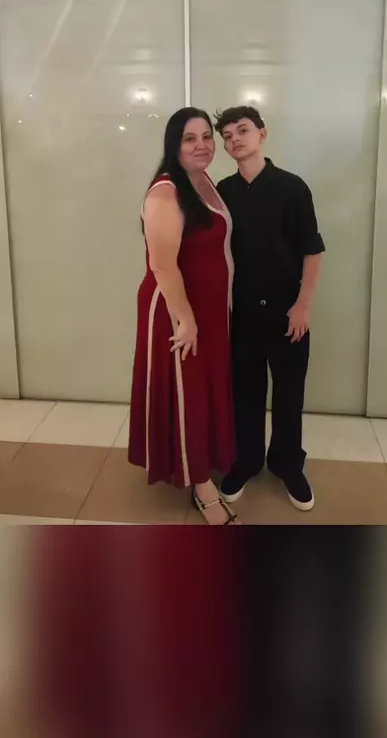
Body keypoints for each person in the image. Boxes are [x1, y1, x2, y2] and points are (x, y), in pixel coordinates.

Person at [128, 107, 240, 526]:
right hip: (177, 310)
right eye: (190, 138)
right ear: (174, 145)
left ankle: (202, 458)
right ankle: (203, 489)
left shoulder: (203, 181)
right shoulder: (165, 192)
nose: (202, 145)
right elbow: (162, 264)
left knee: (204, 387)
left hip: (209, 308)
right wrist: (186, 320)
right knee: (187, 392)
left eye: (207, 136)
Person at [214, 106, 325, 511]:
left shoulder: (292, 188)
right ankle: (245, 462)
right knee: (245, 394)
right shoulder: (223, 191)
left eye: (242, 130)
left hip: (287, 312)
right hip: (241, 313)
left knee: (289, 395)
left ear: (262, 134)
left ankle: (288, 465)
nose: (235, 140)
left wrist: (303, 306)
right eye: (227, 136)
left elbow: (312, 250)